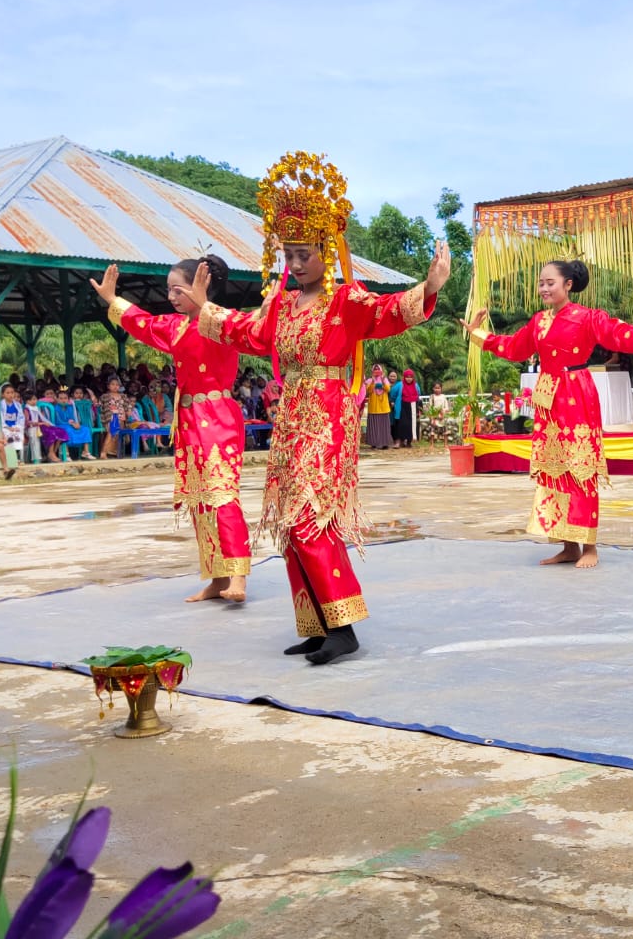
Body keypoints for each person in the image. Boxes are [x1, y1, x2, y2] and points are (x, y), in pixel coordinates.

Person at [187, 151, 450, 664]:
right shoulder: (281, 305)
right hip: (291, 419)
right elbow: (247, 332)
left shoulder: (346, 301)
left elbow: (392, 311)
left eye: (305, 252)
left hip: (328, 417)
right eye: (290, 253)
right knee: (290, 524)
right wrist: (204, 309)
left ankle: (344, 624)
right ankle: (316, 623)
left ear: (326, 252)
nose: (296, 262)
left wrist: (431, 286)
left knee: (311, 519)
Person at [461, 258, 633, 568]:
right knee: (554, 470)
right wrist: (479, 335)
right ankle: (568, 545)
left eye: (550, 283)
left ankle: (591, 547)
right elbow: (514, 347)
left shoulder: (586, 317)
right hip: (549, 400)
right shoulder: (538, 321)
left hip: (576, 394)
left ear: (568, 285)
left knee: (581, 469)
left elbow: (615, 332)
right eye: (541, 283)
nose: (543, 288)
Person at [90, 256, 253, 603]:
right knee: (199, 500)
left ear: (201, 284)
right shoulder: (177, 327)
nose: (171, 296)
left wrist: (209, 303)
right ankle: (217, 578)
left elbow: (253, 332)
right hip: (189, 419)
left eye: (177, 289)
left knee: (222, 494)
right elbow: (144, 324)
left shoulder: (223, 322)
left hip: (218, 416)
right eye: (169, 290)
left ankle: (238, 574)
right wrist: (112, 300)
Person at [358, 365, 394, 449]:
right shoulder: (369, 380)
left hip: (383, 407)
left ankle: (385, 443)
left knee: (384, 426)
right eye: (375, 369)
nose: (377, 371)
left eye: (378, 369)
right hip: (373, 407)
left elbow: (388, 389)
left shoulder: (385, 379)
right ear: (372, 371)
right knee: (374, 426)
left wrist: (382, 381)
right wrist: (373, 382)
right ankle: (374, 443)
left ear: (381, 371)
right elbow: (368, 391)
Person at [57, 388, 96, 460]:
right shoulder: (56, 408)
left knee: (85, 429)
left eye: (65, 398)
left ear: (68, 399)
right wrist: (71, 424)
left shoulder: (70, 407)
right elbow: (59, 420)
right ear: (57, 399)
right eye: (61, 398)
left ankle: (86, 452)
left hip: (70, 425)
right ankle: (66, 453)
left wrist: (76, 423)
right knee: (67, 430)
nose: (63, 400)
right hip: (60, 425)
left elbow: (73, 418)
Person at [97, 376, 126, 459]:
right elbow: (102, 408)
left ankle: (113, 452)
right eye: (113, 384)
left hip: (121, 419)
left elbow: (127, 406)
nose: (115, 386)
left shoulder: (123, 396)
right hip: (111, 418)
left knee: (118, 431)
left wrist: (128, 412)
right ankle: (103, 452)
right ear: (108, 386)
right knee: (111, 431)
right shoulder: (105, 396)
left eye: (117, 385)